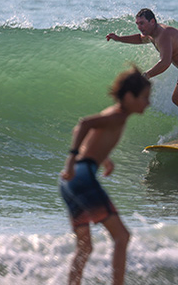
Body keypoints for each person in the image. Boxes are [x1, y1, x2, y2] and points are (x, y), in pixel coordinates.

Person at [59, 67, 151, 285]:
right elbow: (84, 124)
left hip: (68, 182)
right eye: (145, 97)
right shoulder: (117, 116)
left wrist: (102, 158)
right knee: (122, 237)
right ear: (129, 97)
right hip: (82, 176)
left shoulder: (113, 115)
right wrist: (71, 160)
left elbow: (79, 132)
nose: (148, 103)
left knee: (85, 246)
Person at [106, 8, 178, 143]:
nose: (139, 27)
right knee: (177, 98)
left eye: (142, 23)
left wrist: (146, 75)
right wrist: (118, 38)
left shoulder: (163, 34)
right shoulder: (152, 34)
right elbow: (140, 38)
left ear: (152, 21)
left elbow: (165, 62)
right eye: (137, 24)